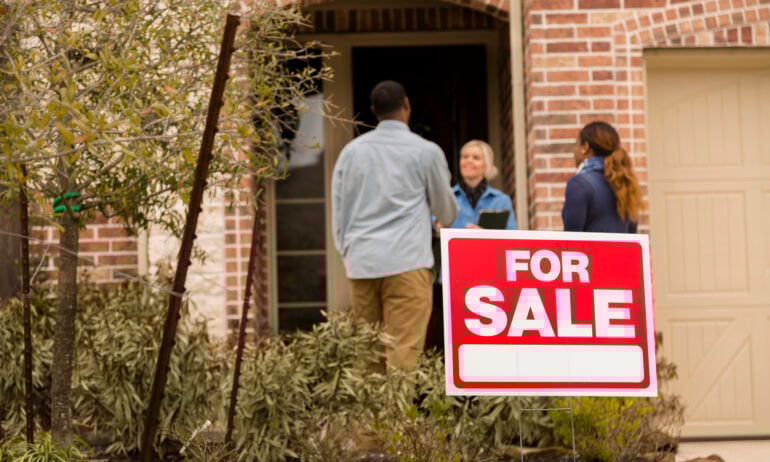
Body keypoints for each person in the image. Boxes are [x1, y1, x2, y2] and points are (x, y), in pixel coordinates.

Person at [331, 80, 458, 370]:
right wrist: (443, 218)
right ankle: (397, 417)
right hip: (407, 262)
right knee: (403, 350)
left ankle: (370, 416)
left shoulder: (351, 153)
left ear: (374, 111)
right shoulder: (426, 152)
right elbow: (446, 210)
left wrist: (348, 252)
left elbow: (340, 211)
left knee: (368, 352)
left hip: (362, 262)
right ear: (407, 105)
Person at [562, 121, 642, 233]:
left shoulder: (579, 184)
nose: (574, 151)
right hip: (620, 251)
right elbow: (632, 237)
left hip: (590, 251)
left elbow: (570, 241)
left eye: (576, 144)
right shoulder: (625, 182)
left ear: (585, 147)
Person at [444, 139, 517, 230]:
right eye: (465, 157)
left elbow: (511, 239)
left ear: (487, 164)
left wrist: (485, 236)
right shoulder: (446, 197)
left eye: (476, 158)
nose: (469, 161)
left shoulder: (501, 201)